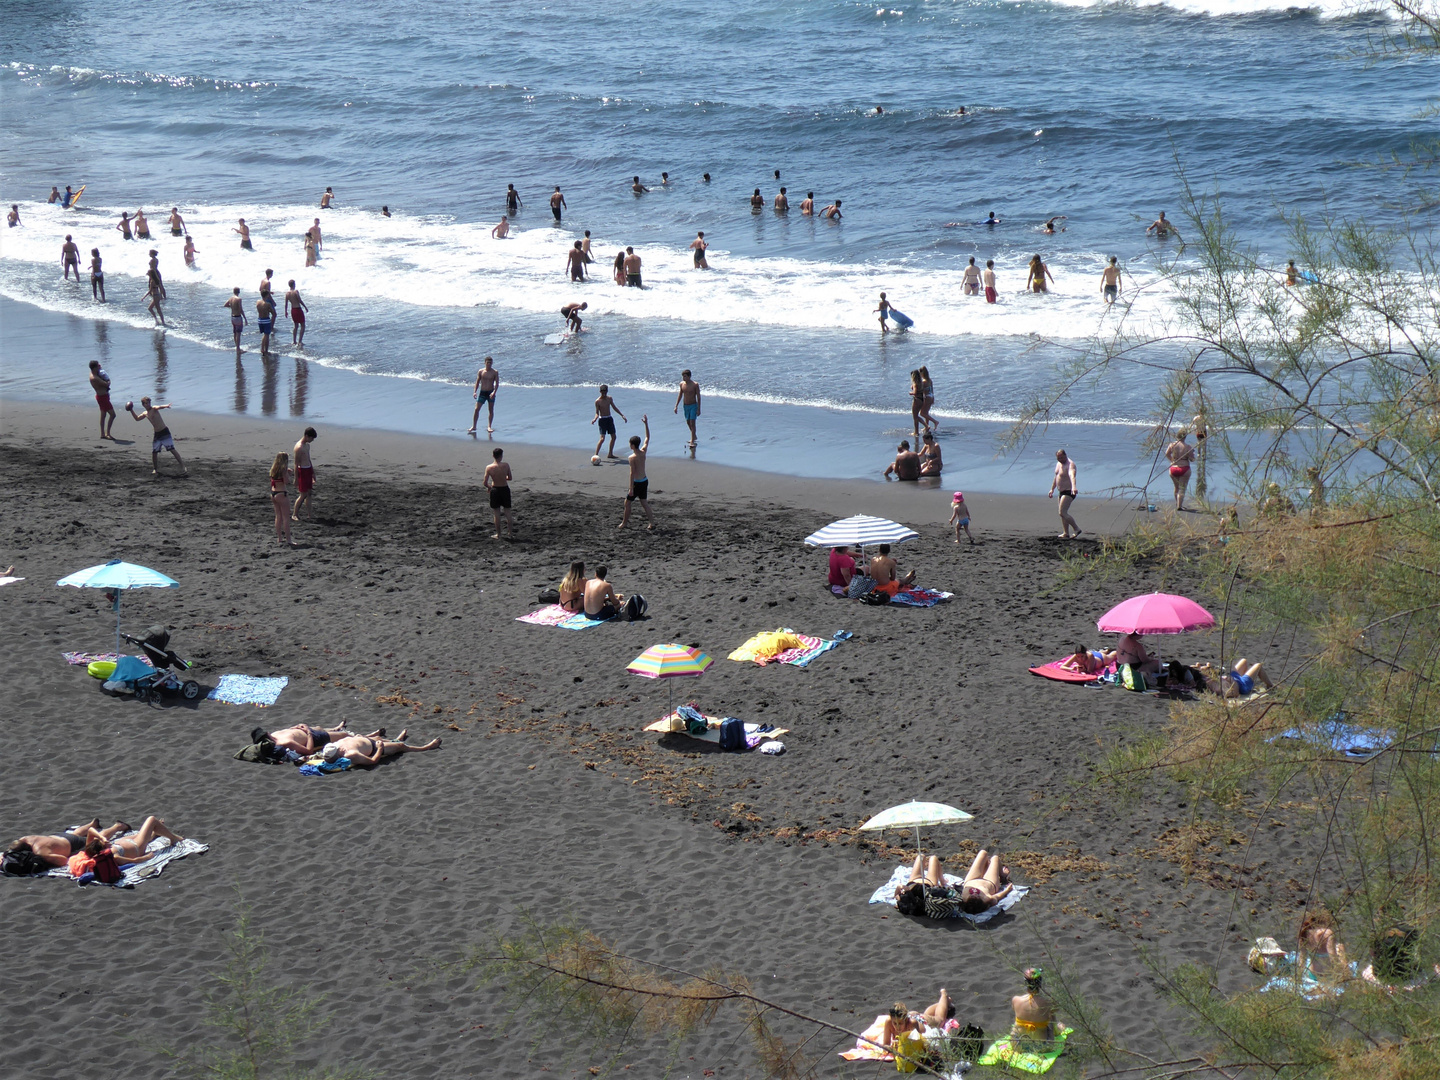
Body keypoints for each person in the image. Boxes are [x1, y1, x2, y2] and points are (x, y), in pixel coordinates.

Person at [126, 396, 187, 476]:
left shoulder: (153, 409)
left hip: (164, 432)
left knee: (172, 449)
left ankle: (183, 466)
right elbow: (137, 419)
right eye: (146, 404)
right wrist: (131, 410)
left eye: (148, 403)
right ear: (143, 405)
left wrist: (166, 406)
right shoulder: (145, 413)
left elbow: (159, 407)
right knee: (154, 452)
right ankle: (155, 469)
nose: (148, 405)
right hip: (157, 434)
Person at [322, 728, 441, 766]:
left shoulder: (335, 745)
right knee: (401, 746)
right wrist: (379, 748)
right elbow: (372, 761)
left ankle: (395, 739)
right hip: (374, 747)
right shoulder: (350, 754)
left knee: (379, 738)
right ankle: (426, 747)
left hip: (366, 739)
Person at [619, 416, 654, 530]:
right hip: (645, 480)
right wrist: (646, 424)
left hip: (637, 483)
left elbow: (632, 473)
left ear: (632, 445)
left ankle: (624, 523)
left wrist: (631, 489)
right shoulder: (643, 451)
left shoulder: (632, 457)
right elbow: (647, 437)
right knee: (644, 503)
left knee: (627, 503)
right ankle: (652, 523)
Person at [1295, 907, 1349, 980]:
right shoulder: (1328, 933)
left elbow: (1302, 959)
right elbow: (1332, 957)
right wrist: (1342, 957)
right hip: (1329, 975)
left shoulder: (1304, 932)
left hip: (1312, 975)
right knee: (1340, 948)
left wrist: (1298, 978)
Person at [1011, 968, 1058, 1049]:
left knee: (1018, 1020)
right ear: (1040, 983)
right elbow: (1056, 1009)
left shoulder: (1015, 999)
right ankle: (1058, 1031)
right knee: (1051, 1016)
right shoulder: (1048, 1002)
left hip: (1017, 1045)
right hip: (1040, 1047)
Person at [267, 722, 369, 755]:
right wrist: (309, 733)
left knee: (319, 728)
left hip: (308, 731)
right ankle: (367, 738)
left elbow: (289, 730)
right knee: (344, 735)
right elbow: (308, 750)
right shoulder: (284, 742)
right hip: (314, 737)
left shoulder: (275, 734)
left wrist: (297, 727)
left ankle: (335, 728)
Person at [1197, 658, 1273, 698]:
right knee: (1258, 665)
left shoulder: (1208, 679)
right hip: (1241, 686)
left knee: (1243, 660)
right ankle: (1270, 686)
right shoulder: (1214, 685)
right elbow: (1235, 693)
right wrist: (1231, 681)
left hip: (1234, 678)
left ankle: (1249, 675)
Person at [1048, 449, 1080, 539]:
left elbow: (1072, 476)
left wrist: (1074, 487)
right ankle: (1066, 532)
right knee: (1063, 514)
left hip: (1069, 491)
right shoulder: (1058, 464)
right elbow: (1056, 477)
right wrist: (1052, 489)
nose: (1060, 459)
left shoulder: (1070, 464)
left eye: (1062, 457)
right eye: (1058, 458)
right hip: (1061, 491)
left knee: (1062, 512)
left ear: (1065, 455)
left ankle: (1076, 529)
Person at [483, 447, 514, 539]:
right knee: (507, 511)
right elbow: (510, 478)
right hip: (504, 488)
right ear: (501, 456)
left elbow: (485, 483)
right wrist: (504, 478)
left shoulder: (489, 467)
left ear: (493, 456)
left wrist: (489, 487)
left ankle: (499, 534)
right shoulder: (506, 465)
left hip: (495, 489)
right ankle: (510, 533)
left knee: (496, 512)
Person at [592, 383, 627, 459]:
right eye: (602, 392)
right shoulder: (597, 401)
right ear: (600, 392)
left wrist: (622, 415)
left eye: (605, 392)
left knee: (613, 437)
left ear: (607, 391)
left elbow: (614, 407)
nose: (604, 394)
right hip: (602, 420)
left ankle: (610, 453)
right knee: (602, 439)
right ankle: (596, 455)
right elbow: (597, 413)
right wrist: (595, 419)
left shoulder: (609, 398)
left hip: (609, 419)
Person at [1165, 429, 1196, 510]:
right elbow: (1192, 459)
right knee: (1182, 488)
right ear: (1185, 437)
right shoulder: (1188, 447)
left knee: (1176, 487)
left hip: (1173, 468)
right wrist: (1192, 454)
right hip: (1184, 468)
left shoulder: (1172, 445)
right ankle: (1179, 506)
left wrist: (1172, 460)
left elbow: (1167, 454)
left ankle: (1177, 503)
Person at [268, 452, 294, 546]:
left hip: (273, 493)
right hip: (281, 493)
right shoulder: (283, 470)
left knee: (278, 516)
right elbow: (286, 481)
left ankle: (279, 538)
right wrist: (289, 474)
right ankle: (288, 539)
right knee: (286, 517)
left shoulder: (273, 469)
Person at [468, 356, 499, 435]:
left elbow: (497, 384)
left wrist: (494, 392)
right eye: (487, 363)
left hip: (490, 392)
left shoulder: (494, 372)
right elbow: (477, 382)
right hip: (482, 392)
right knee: (476, 409)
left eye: (490, 363)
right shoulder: (481, 371)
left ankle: (489, 426)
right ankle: (474, 426)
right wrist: (475, 392)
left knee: (490, 410)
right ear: (485, 363)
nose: (489, 365)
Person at [292, 426, 317, 522]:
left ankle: (310, 514)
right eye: (311, 438)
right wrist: (296, 478)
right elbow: (296, 463)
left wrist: (313, 472)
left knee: (309, 493)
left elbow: (309, 459)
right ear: (306, 436)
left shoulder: (307, 446)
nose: (312, 440)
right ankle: (295, 514)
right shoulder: (299, 447)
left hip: (308, 469)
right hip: (301, 470)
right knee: (303, 494)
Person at [88, 361, 116, 438]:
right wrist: (108, 379)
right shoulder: (95, 378)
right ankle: (108, 433)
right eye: (97, 367)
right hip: (102, 397)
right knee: (113, 415)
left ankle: (102, 434)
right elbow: (107, 384)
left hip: (102, 396)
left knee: (103, 415)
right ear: (94, 368)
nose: (99, 368)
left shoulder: (94, 374)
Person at [674, 370, 700, 447]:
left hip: (693, 405)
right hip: (686, 406)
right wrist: (676, 406)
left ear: (689, 376)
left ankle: (692, 441)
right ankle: (694, 436)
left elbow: (698, 397)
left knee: (692, 422)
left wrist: (699, 408)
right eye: (683, 376)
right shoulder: (682, 384)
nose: (683, 378)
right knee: (688, 422)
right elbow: (680, 395)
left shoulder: (695, 385)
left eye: (685, 376)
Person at [223, 287, 247, 353]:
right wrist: (245, 318)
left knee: (235, 333)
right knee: (238, 333)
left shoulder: (231, 298)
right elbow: (241, 309)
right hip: (238, 317)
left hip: (232, 317)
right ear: (239, 292)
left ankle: (237, 347)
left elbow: (225, 305)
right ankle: (238, 349)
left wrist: (232, 307)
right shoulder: (239, 299)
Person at [285, 280, 308, 345]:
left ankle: (294, 341)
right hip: (298, 309)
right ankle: (300, 341)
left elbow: (286, 303)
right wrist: (305, 307)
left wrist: (286, 311)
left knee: (295, 326)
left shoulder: (287, 293)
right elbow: (299, 300)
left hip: (293, 310)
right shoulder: (295, 292)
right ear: (293, 284)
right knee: (303, 325)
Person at [145, 259, 167, 326]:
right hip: (158, 295)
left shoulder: (152, 282)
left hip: (155, 296)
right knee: (156, 309)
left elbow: (150, 291)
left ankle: (159, 321)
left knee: (155, 309)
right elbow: (161, 287)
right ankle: (160, 321)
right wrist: (162, 295)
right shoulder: (156, 280)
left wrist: (143, 297)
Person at [918, 365, 937, 432]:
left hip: (927, 397)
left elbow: (919, 389)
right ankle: (926, 426)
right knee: (926, 412)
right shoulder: (929, 380)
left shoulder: (924, 382)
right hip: (931, 396)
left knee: (922, 413)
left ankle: (935, 422)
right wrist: (933, 398)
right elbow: (932, 389)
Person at [909, 370, 927, 437]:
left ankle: (916, 432)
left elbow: (915, 392)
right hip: (922, 399)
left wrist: (910, 393)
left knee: (915, 417)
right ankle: (926, 426)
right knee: (916, 416)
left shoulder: (915, 383)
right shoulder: (921, 383)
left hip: (917, 400)